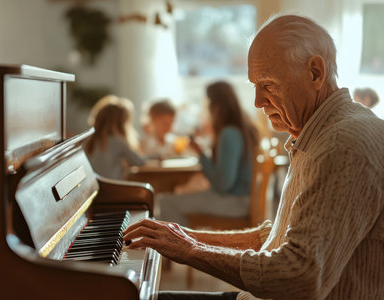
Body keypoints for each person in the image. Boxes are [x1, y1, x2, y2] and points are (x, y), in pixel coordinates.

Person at [123, 15, 384, 300]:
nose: (258, 102)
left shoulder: (342, 145)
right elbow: (277, 239)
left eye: (268, 84)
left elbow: (300, 276)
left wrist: (190, 250)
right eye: (255, 86)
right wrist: (184, 236)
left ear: (315, 73)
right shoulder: (322, 132)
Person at [158, 81, 259, 227]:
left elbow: (223, 185)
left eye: (208, 103)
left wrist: (201, 155)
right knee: (176, 198)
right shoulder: (240, 128)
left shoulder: (229, 134)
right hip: (242, 199)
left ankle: (177, 248)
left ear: (216, 106)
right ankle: (185, 243)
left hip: (235, 202)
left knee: (166, 202)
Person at [84, 95, 146, 180]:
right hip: (113, 188)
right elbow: (140, 162)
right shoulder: (118, 142)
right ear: (122, 123)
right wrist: (157, 156)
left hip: (94, 187)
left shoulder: (87, 140)